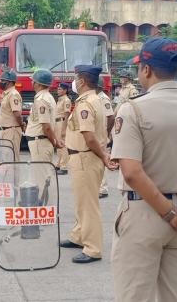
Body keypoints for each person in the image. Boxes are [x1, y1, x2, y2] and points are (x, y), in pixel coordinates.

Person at [111, 37, 177, 302]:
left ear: (147, 69)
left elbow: (131, 172)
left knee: (134, 295)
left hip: (146, 213)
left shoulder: (133, 110)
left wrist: (169, 214)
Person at [60, 65, 114, 264]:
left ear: (81, 81)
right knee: (83, 202)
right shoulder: (96, 99)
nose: (74, 81)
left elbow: (89, 136)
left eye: (76, 78)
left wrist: (104, 156)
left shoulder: (85, 103)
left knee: (88, 205)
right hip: (86, 157)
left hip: (85, 156)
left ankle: (92, 248)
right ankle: (79, 235)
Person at [25, 69, 63, 162]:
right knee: (43, 174)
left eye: (33, 81)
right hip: (41, 141)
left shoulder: (41, 99)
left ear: (38, 84)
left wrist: (54, 142)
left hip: (40, 142)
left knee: (40, 174)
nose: (31, 83)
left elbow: (46, 127)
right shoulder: (48, 97)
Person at [0, 69, 24, 161]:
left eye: (2, 81)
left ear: (9, 82)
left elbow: (17, 113)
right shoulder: (6, 94)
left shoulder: (13, 94)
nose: (1, 82)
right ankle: (9, 176)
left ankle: (15, 176)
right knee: (6, 158)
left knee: (12, 158)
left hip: (11, 130)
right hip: (5, 130)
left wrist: (22, 125)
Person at [97, 77, 115, 199]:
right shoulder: (97, 97)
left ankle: (103, 189)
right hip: (98, 133)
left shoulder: (103, 98)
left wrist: (106, 132)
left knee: (102, 160)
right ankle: (98, 186)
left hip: (102, 133)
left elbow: (111, 117)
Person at [55, 82, 71, 175]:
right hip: (57, 122)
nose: (58, 90)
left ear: (65, 90)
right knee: (58, 145)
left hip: (62, 122)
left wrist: (64, 129)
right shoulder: (60, 100)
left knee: (63, 145)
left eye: (60, 89)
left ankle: (64, 167)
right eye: (58, 89)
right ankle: (59, 164)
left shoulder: (66, 100)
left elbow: (66, 114)